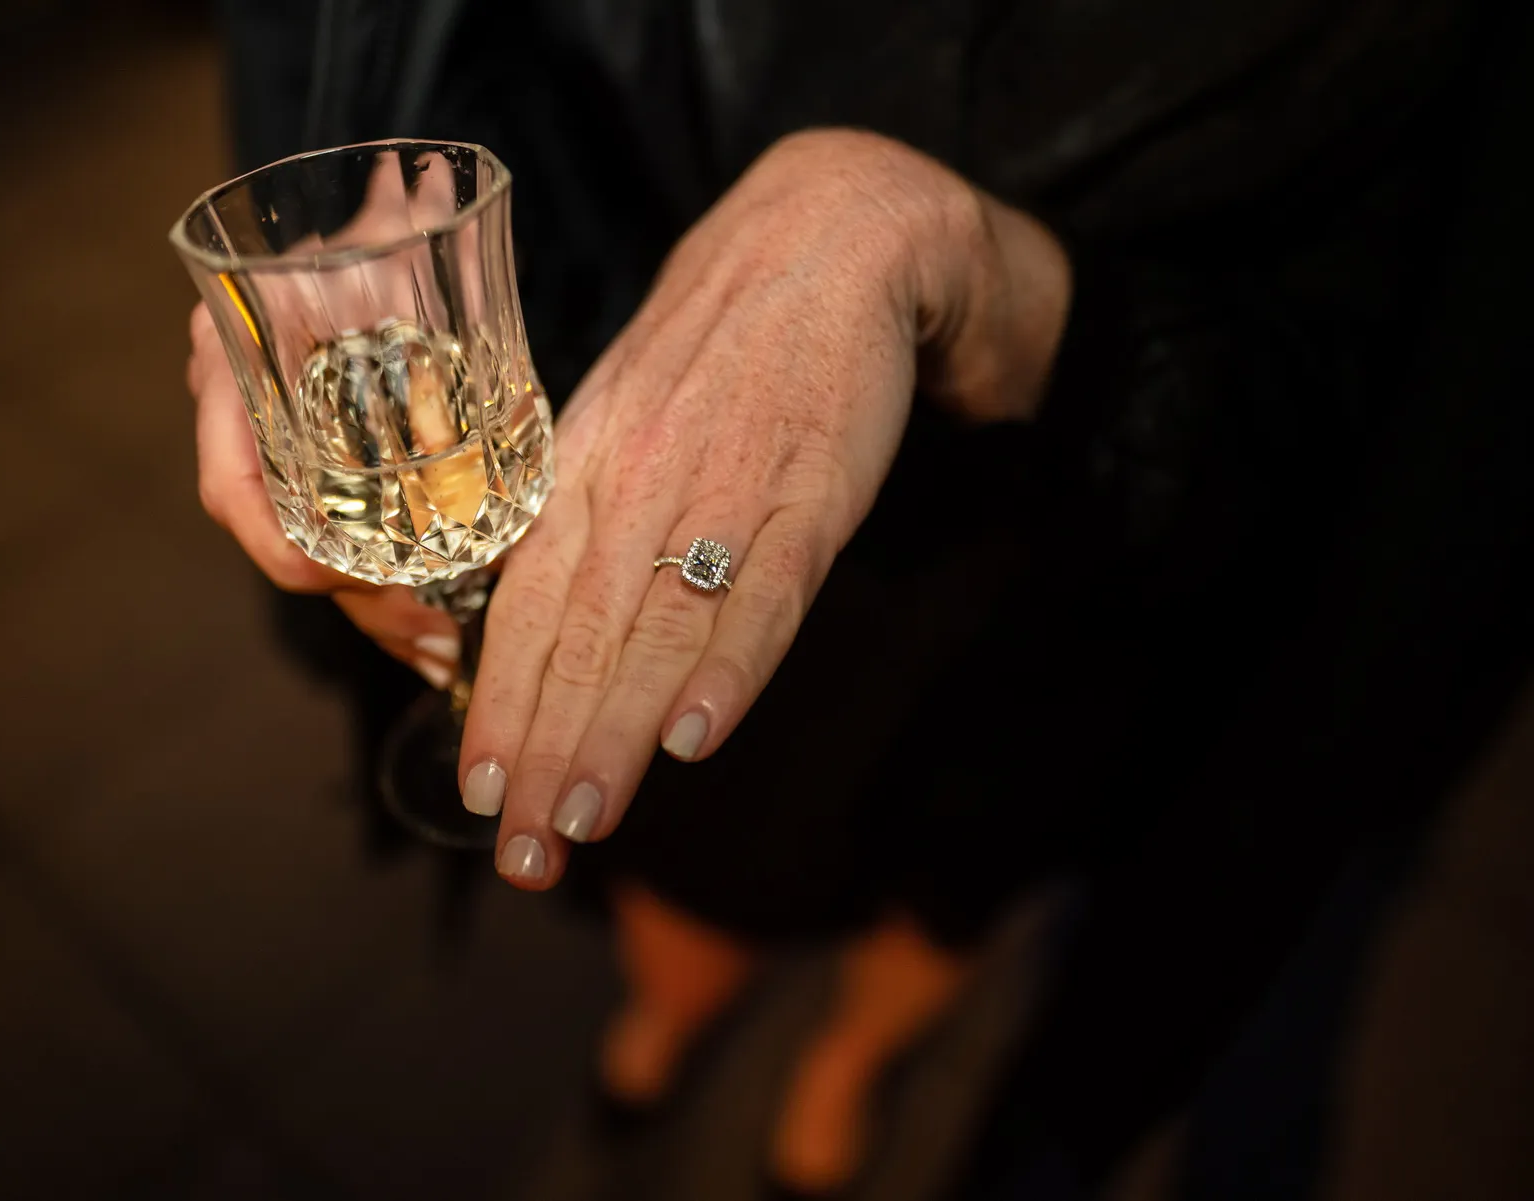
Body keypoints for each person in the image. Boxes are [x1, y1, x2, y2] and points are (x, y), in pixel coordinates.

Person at [190, 0, 1484, 1193]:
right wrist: (374, 210)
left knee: (955, 883)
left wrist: (991, 271)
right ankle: (671, 1015)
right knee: (701, 857)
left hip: (1083, 543)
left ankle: (846, 1063)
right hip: (679, 480)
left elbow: (1385, 396)